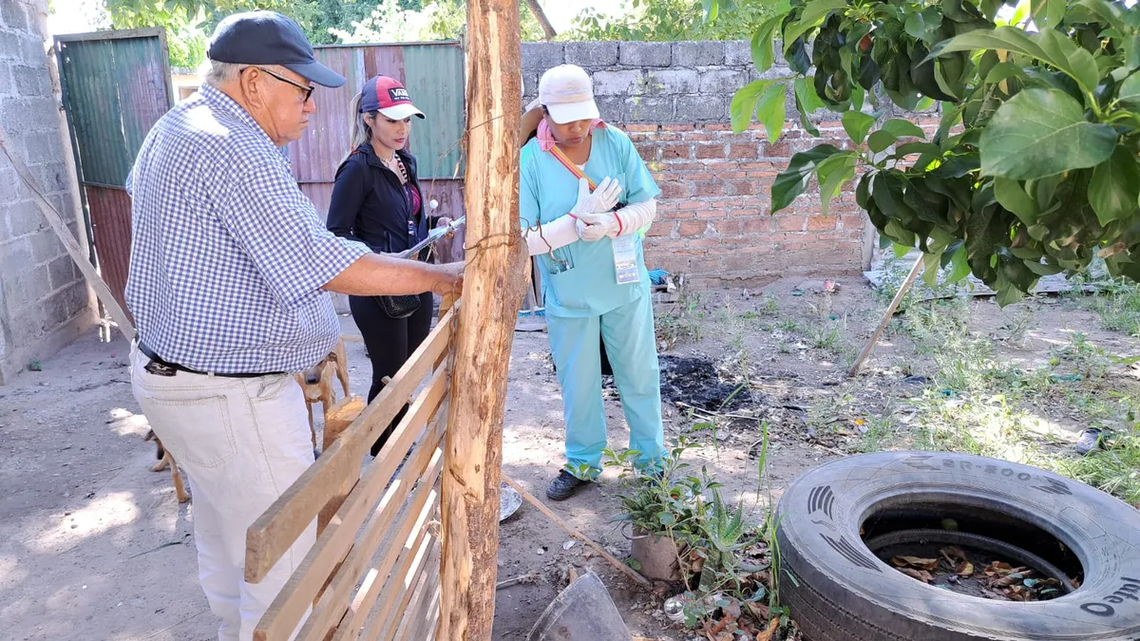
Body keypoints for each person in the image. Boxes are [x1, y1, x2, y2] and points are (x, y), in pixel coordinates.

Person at [124, 12, 463, 641]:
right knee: (288, 573)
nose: (311, 106)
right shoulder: (233, 146)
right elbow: (321, 257)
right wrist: (447, 278)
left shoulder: (174, 129)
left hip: (176, 380)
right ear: (255, 82)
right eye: (302, 90)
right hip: (233, 391)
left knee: (232, 544)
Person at [518, 64, 665, 501]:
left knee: (639, 374)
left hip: (624, 286)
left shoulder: (614, 142)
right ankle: (583, 461)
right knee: (578, 383)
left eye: (584, 115)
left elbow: (648, 206)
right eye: (567, 119)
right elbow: (523, 240)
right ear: (545, 113)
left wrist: (614, 222)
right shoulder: (531, 160)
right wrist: (571, 226)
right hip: (570, 293)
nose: (579, 127)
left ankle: (651, 461)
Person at [327, 76, 446, 456]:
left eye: (407, 120)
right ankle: (385, 449)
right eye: (392, 120)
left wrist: (432, 228)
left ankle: (395, 443)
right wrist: (380, 258)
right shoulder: (356, 169)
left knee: (409, 371)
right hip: (378, 288)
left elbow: (406, 222)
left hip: (414, 279)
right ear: (369, 119)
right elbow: (336, 235)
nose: (402, 129)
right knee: (389, 374)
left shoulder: (405, 162)